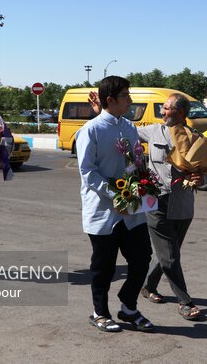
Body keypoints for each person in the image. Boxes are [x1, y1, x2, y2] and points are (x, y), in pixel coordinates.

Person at [88, 91, 205, 321]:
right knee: (170, 255)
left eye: (166, 108)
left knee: (169, 254)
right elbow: (120, 129)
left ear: (180, 112)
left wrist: (200, 177)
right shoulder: (153, 131)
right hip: (157, 201)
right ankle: (185, 301)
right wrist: (100, 112)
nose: (161, 111)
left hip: (183, 205)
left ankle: (149, 286)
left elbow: (203, 169)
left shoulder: (195, 138)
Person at [76, 76, 154, 333]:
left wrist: (142, 181)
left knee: (142, 257)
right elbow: (88, 171)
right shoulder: (92, 130)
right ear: (110, 100)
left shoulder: (129, 128)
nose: (130, 100)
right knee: (104, 266)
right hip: (104, 210)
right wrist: (116, 194)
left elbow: (134, 161)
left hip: (131, 209)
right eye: (125, 96)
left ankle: (128, 307)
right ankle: (100, 312)